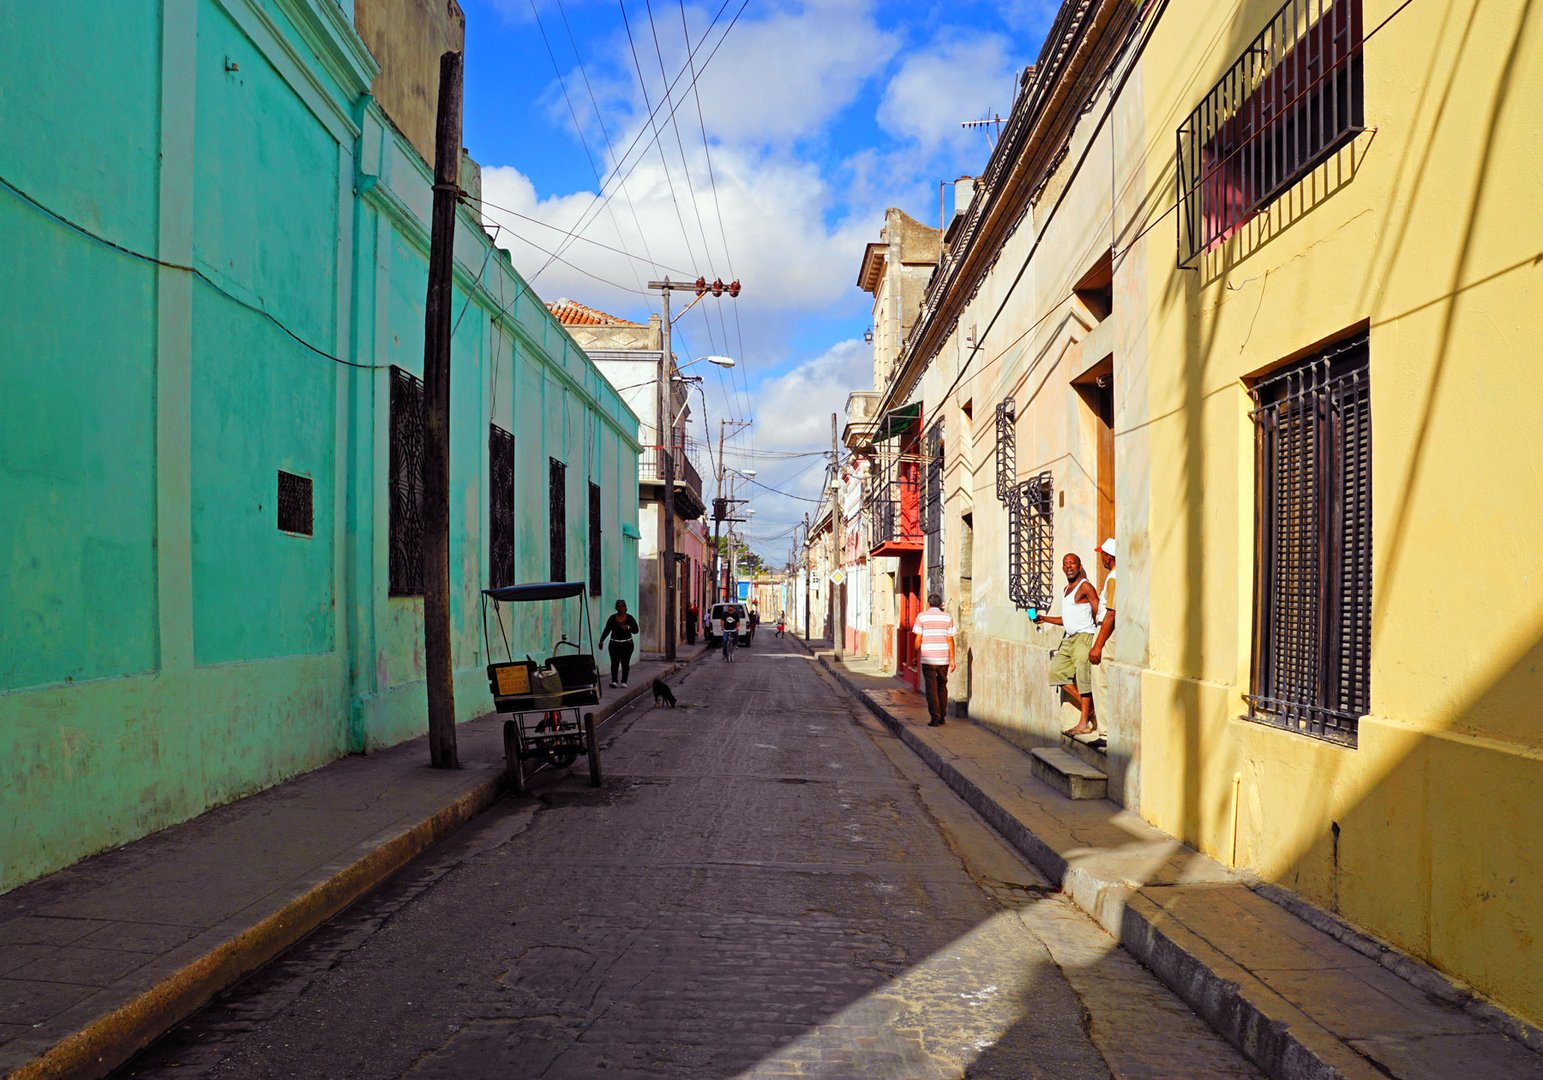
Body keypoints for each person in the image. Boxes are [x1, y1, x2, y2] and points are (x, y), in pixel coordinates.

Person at [1033, 554, 1101, 737]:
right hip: (1069, 638)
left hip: (1084, 637)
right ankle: (1091, 708)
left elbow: (1098, 611)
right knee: (1056, 673)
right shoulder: (1066, 589)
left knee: (1083, 677)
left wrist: (1099, 639)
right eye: (1065, 564)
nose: (1069, 566)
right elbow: (1068, 619)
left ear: (1080, 567)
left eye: (1072, 563)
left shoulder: (1085, 586)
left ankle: (1084, 722)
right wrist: (1045, 618)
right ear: (1062, 568)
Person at [912, 593, 957, 727]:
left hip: (928, 659)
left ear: (928, 604)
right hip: (943, 659)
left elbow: (918, 639)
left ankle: (935, 718)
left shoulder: (922, 616)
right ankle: (942, 716)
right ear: (941, 604)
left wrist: (915, 656)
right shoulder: (947, 617)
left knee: (931, 689)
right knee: (942, 686)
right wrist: (952, 659)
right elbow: (950, 639)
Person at [598, 599, 639, 688]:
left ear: (625, 608)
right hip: (614, 644)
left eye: (622, 606)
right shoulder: (612, 618)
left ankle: (624, 681)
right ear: (616, 608)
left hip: (627, 644)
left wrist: (628, 627)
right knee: (614, 663)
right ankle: (614, 681)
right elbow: (607, 630)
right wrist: (601, 640)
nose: (621, 608)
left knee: (625, 663)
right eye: (619, 606)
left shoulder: (629, 618)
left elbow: (636, 630)